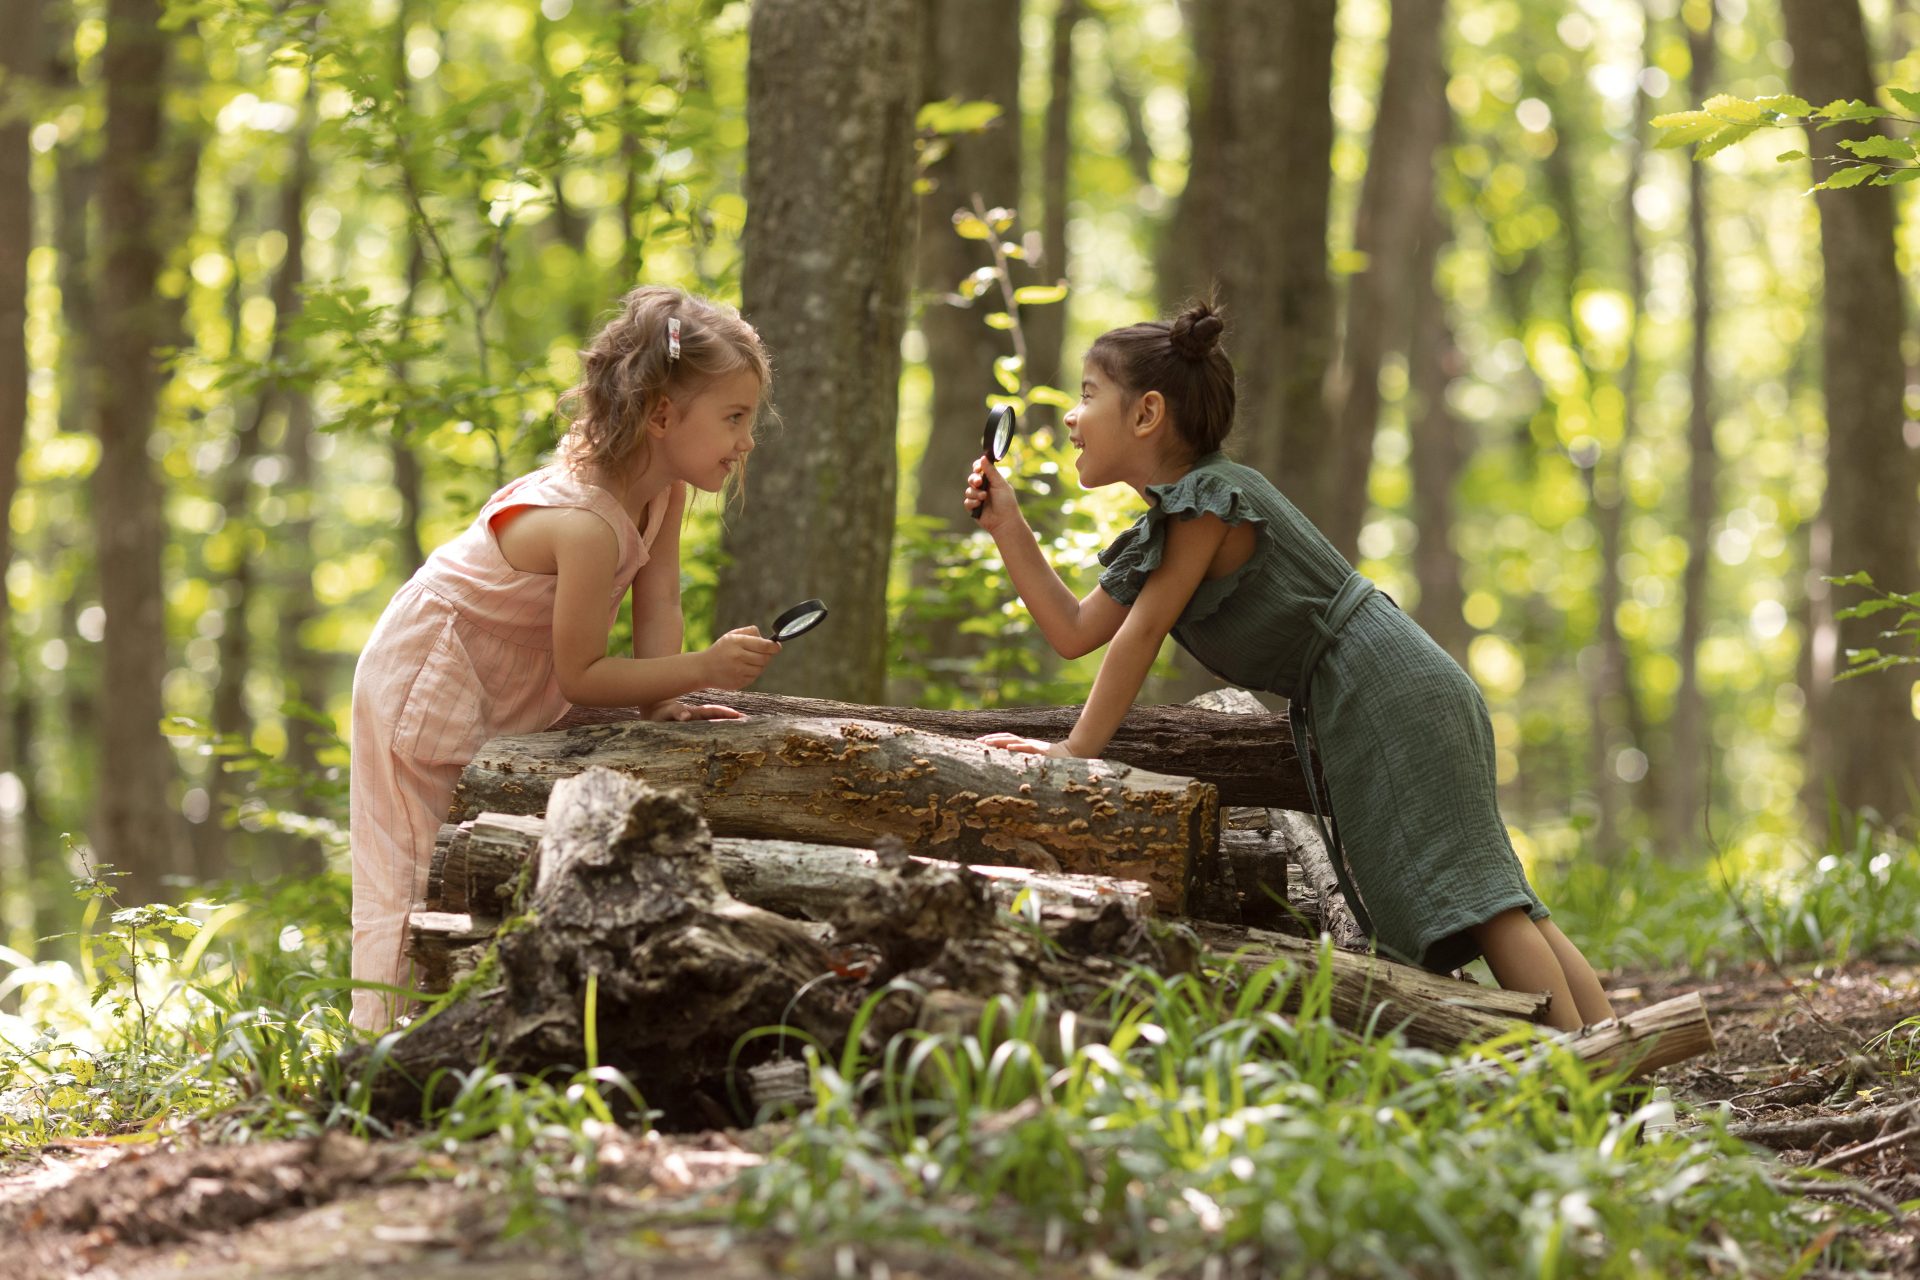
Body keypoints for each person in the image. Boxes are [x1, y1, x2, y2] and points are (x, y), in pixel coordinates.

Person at [962, 300, 1614, 1032]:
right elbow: (1075, 630)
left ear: (1146, 415)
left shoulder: (1208, 501)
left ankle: (1580, 1084)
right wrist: (1007, 525)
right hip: (1395, 682)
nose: (1073, 418)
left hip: (1387, 688)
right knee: (1499, 896)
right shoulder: (1172, 525)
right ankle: (1625, 1080)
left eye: (1086, 395)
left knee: (1482, 904)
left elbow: (1138, 637)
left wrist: (1074, 755)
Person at [349, 285, 782, 1032]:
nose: (746, 441)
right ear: (661, 415)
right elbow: (584, 674)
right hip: (428, 670)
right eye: (733, 418)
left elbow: (659, 600)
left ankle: (473, 1041)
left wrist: (662, 699)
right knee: (408, 872)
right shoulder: (582, 522)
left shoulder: (660, 494)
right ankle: (376, 1053)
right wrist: (703, 667)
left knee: (479, 858)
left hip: (506, 676)